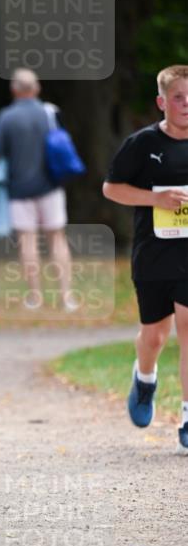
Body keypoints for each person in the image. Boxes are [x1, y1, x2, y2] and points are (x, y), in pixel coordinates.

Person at [103, 64, 188, 453]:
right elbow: (112, 189)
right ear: (161, 102)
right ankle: (145, 378)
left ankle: (187, 416)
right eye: (178, 98)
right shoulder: (142, 144)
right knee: (155, 335)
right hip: (153, 252)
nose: (185, 105)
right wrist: (156, 198)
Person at [0, 68, 77, 311]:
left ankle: (35, 297)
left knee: (27, 241)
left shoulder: (6, 117)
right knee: (57, 238)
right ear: (36, 88)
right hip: (51, 186)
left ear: (14, 90)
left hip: (19, 190)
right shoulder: (49, 112)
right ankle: (66, 296)